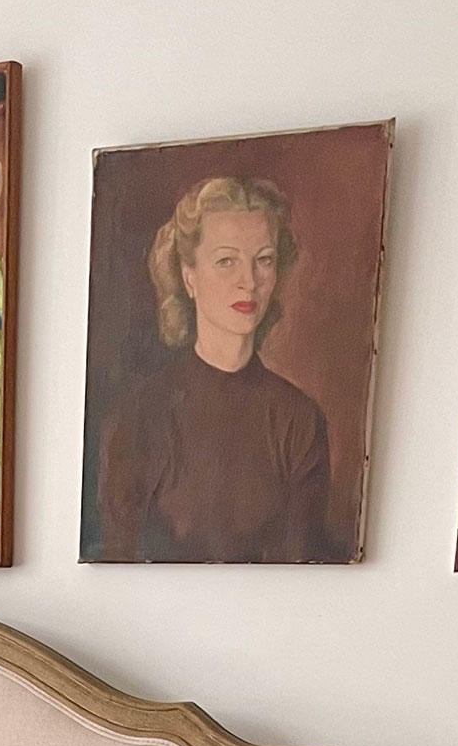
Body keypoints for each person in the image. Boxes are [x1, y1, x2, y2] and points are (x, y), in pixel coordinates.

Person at [97, 176, 333, 564]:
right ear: (190, 278)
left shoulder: (299, 420)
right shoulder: (139, 416)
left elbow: (301, 568)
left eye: (264, 260)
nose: (248, 282)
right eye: (226, 261)